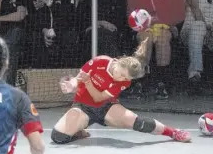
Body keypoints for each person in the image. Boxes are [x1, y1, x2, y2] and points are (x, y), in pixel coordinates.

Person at [51, 39, 192, 144]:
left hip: (106, 108)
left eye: (126, 78)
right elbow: (78, 78)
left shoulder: (125, 82)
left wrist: (88, 82)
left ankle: (173, 132)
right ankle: (79, 131)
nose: (122, 79)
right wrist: (72, 84)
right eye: (121, 74)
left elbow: (99, 97)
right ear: (119, 63)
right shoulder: (100, 62)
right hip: (83, 107)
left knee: (138, 122)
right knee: (58, 137)